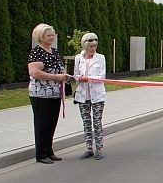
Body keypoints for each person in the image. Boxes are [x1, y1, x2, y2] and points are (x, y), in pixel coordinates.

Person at [27, 23, 69, 164]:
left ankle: (49, 150)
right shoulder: (36, 52)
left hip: (55, 94)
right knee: (42, 124)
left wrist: (64, 76)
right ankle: (41, 154)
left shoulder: (55, 51)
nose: (52, 37)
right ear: (41, 37)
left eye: (53, 35)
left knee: (51, 123)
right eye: (48, 35)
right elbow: (35, 72)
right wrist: (56, 77)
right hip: (40, 95)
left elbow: (60, 68)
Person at [73, 33, 107, 161]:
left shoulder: (100, 58)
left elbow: (102, 76)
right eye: (91, 46)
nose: (93, 48)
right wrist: (79, 79)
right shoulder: (78, 58)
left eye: (95, 46)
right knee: (86, 122)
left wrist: (90, 79)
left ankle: (99, 148)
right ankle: (88, 148)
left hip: (97, 95)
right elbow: (75, 74)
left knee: (97, 121)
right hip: (83, 95)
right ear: (85, 46)